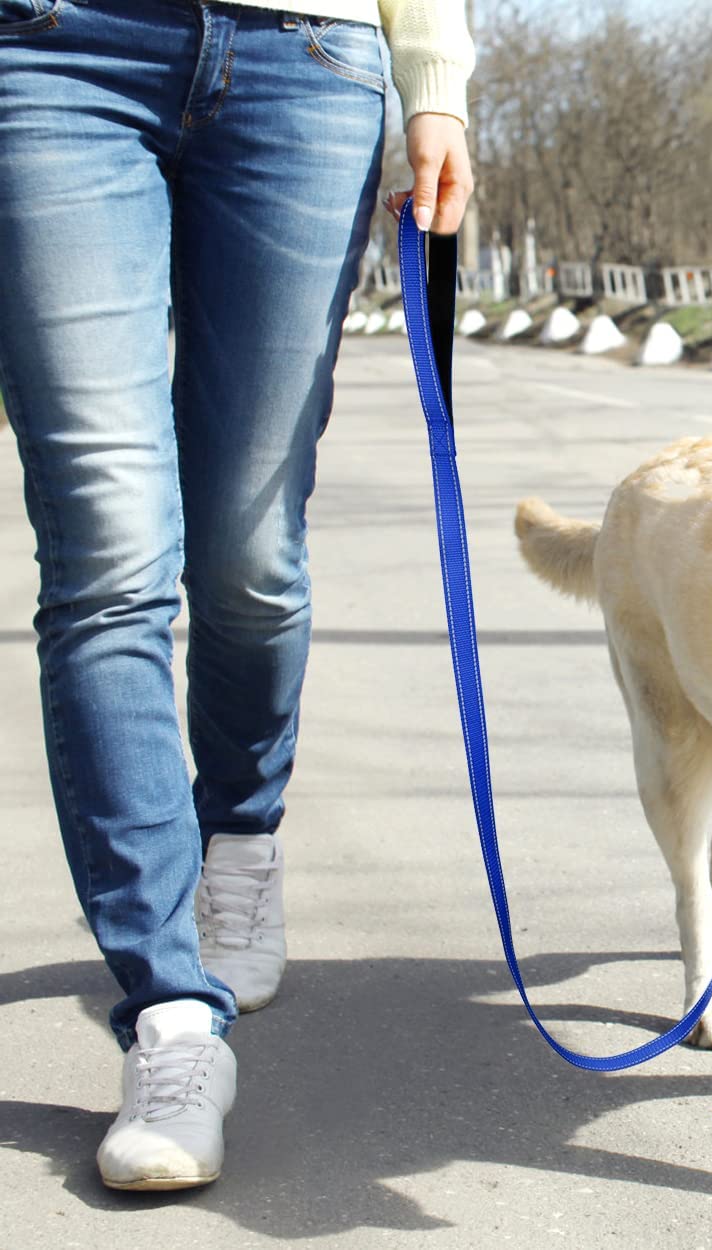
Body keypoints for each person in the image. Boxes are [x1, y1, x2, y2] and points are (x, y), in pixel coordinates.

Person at [0, 0, 473, 1190]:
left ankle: (240, 838)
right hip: (50, 47)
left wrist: (434, 82)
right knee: (109, 551)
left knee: (250, 553)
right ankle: (170, 1015)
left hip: (303, 57)